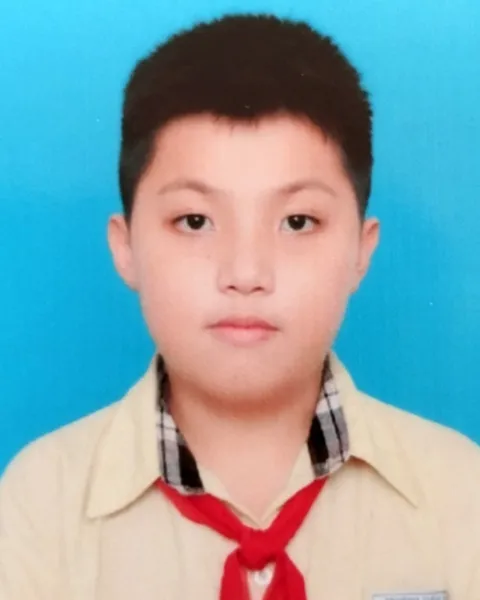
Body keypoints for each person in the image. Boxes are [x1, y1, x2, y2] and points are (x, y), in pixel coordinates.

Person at [1, 12, 479, 600]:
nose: (246, 274)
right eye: (194, 220)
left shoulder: (461, 491)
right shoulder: (40, 502)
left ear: (362, 249)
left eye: (297, 221)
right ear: (125, 248)